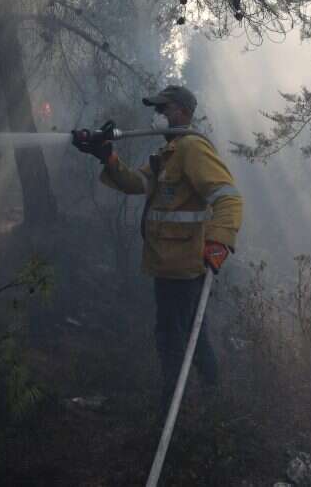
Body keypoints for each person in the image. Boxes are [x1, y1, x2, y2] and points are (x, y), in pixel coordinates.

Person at [72, 85, 243, 412]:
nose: (157, 115)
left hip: (184, 267)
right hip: (169, 264)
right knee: (193, 336)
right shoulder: (170, 153)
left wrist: (219, 242)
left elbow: (229, 198)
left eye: (163, 109)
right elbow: (137, 183)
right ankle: (212, 399)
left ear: (182, 111)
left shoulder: (192, 148)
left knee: (172, 339)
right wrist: (107, 157)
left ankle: (173, 405)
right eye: (157, 109)